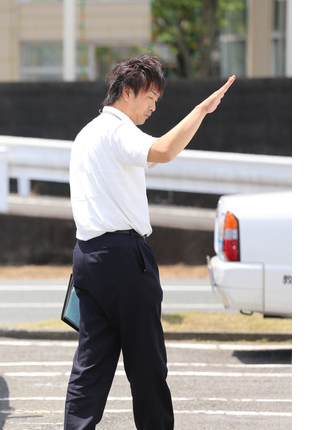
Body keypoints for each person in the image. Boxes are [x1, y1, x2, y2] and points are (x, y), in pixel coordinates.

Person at [64, 54, 235, 430]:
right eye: (150, 98)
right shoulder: (118, 129)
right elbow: (164, 151)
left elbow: (151, 158)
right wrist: (201, 111)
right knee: (147, 363)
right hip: (124, 257)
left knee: (91, 364)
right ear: (126, 92)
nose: (153, 107)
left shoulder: (87, 134)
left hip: (88, 257)